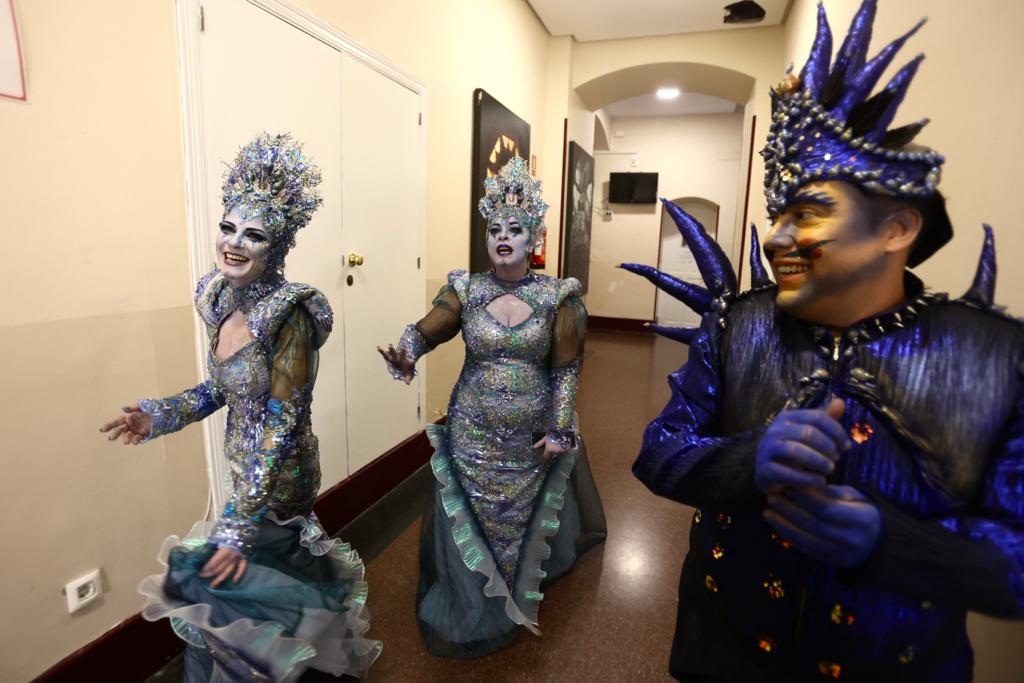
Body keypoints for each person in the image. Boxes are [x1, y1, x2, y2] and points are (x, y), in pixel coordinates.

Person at [624, 1, 1024, 681]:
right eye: (778, 213)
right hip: (723, 650)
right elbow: (657, 453)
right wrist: (746, 461)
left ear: (897, 229)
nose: (776, 236)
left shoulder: (990, 360)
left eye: (807, 214)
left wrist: (893, 542)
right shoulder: (739, 326)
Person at [101, 133, 381, 682]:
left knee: (245, 602)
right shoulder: (221, 300)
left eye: (253, 235)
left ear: (277, 247)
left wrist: (239, 523)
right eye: (228, 228)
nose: (233, 243)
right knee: (257, 604)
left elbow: (282, 424)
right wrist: (157, 416)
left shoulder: (290, 315)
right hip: (244, 479)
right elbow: (218, 391)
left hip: (280, 479)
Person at [379, 157, 606, 657]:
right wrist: (407, 352)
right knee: (472, 514)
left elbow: (566, 369)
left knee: (520, 518)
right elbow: (430, 328)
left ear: (534, 238)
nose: (503, 237)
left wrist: (560, 426)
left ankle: (519, 584)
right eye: (495, 229)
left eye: (515, 229)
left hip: (529, 437)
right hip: (472, 429)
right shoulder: (466, 290)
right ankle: (473, 599)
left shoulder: (558, 297)